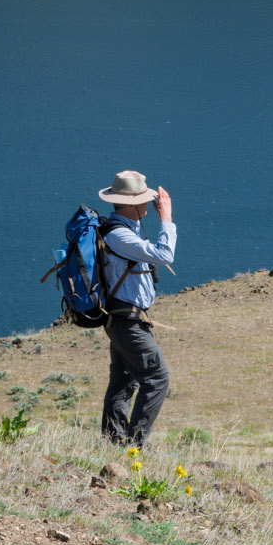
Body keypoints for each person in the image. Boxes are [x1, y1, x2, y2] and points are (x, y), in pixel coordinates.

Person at [97, 170, 177, 448]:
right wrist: (166, 219)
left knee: (124, 382)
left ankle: (112, 444)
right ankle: (134, 447)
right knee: (157, 378)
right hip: (126, 320)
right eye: (144, 200)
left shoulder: (120, 231)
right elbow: (165, 256)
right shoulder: (120, 236)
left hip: (125, 319)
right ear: (131, 205)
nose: (148, 205)